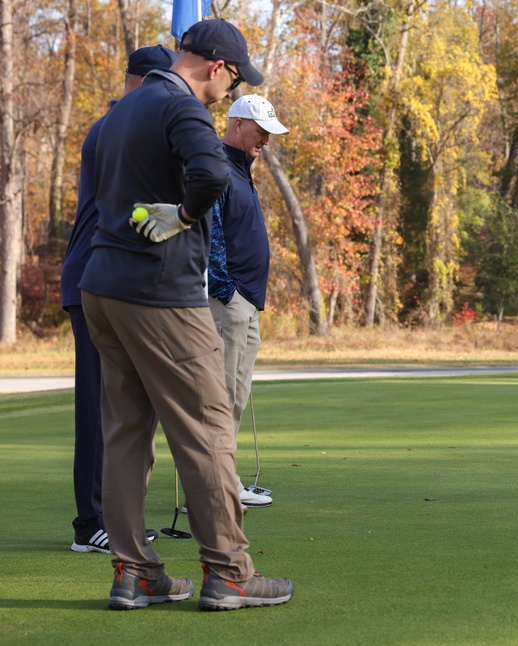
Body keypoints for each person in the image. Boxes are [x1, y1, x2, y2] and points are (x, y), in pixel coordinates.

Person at [79, 19, 293, 611]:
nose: (229, 92)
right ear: (218, 67)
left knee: (126, 434)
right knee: (206, 429)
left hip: (103, 286)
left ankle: (134, 572)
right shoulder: (185, 107)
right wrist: (187, 215)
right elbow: (208, 174)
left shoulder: (125, 106)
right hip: (160, 294)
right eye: (234, 79)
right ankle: (229, 573)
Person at [61, 45, 177, 554]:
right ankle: (92, 524)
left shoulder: (127, 122)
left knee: (120, 406)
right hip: (94, 278)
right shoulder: (115, 126)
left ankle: (116, 518)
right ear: (141, 81)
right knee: (98, 405)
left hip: (110, 280)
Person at [207, 94, 290, 509]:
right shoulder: (220, 168)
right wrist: (227, 291)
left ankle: (223, 481)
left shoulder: (241, 169)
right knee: (221, 396)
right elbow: (211, 237)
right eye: (261, 132)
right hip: (230, 301)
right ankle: (214, 489)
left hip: (245, 302)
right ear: (238, 124)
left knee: (236, 396)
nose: (266, 142)